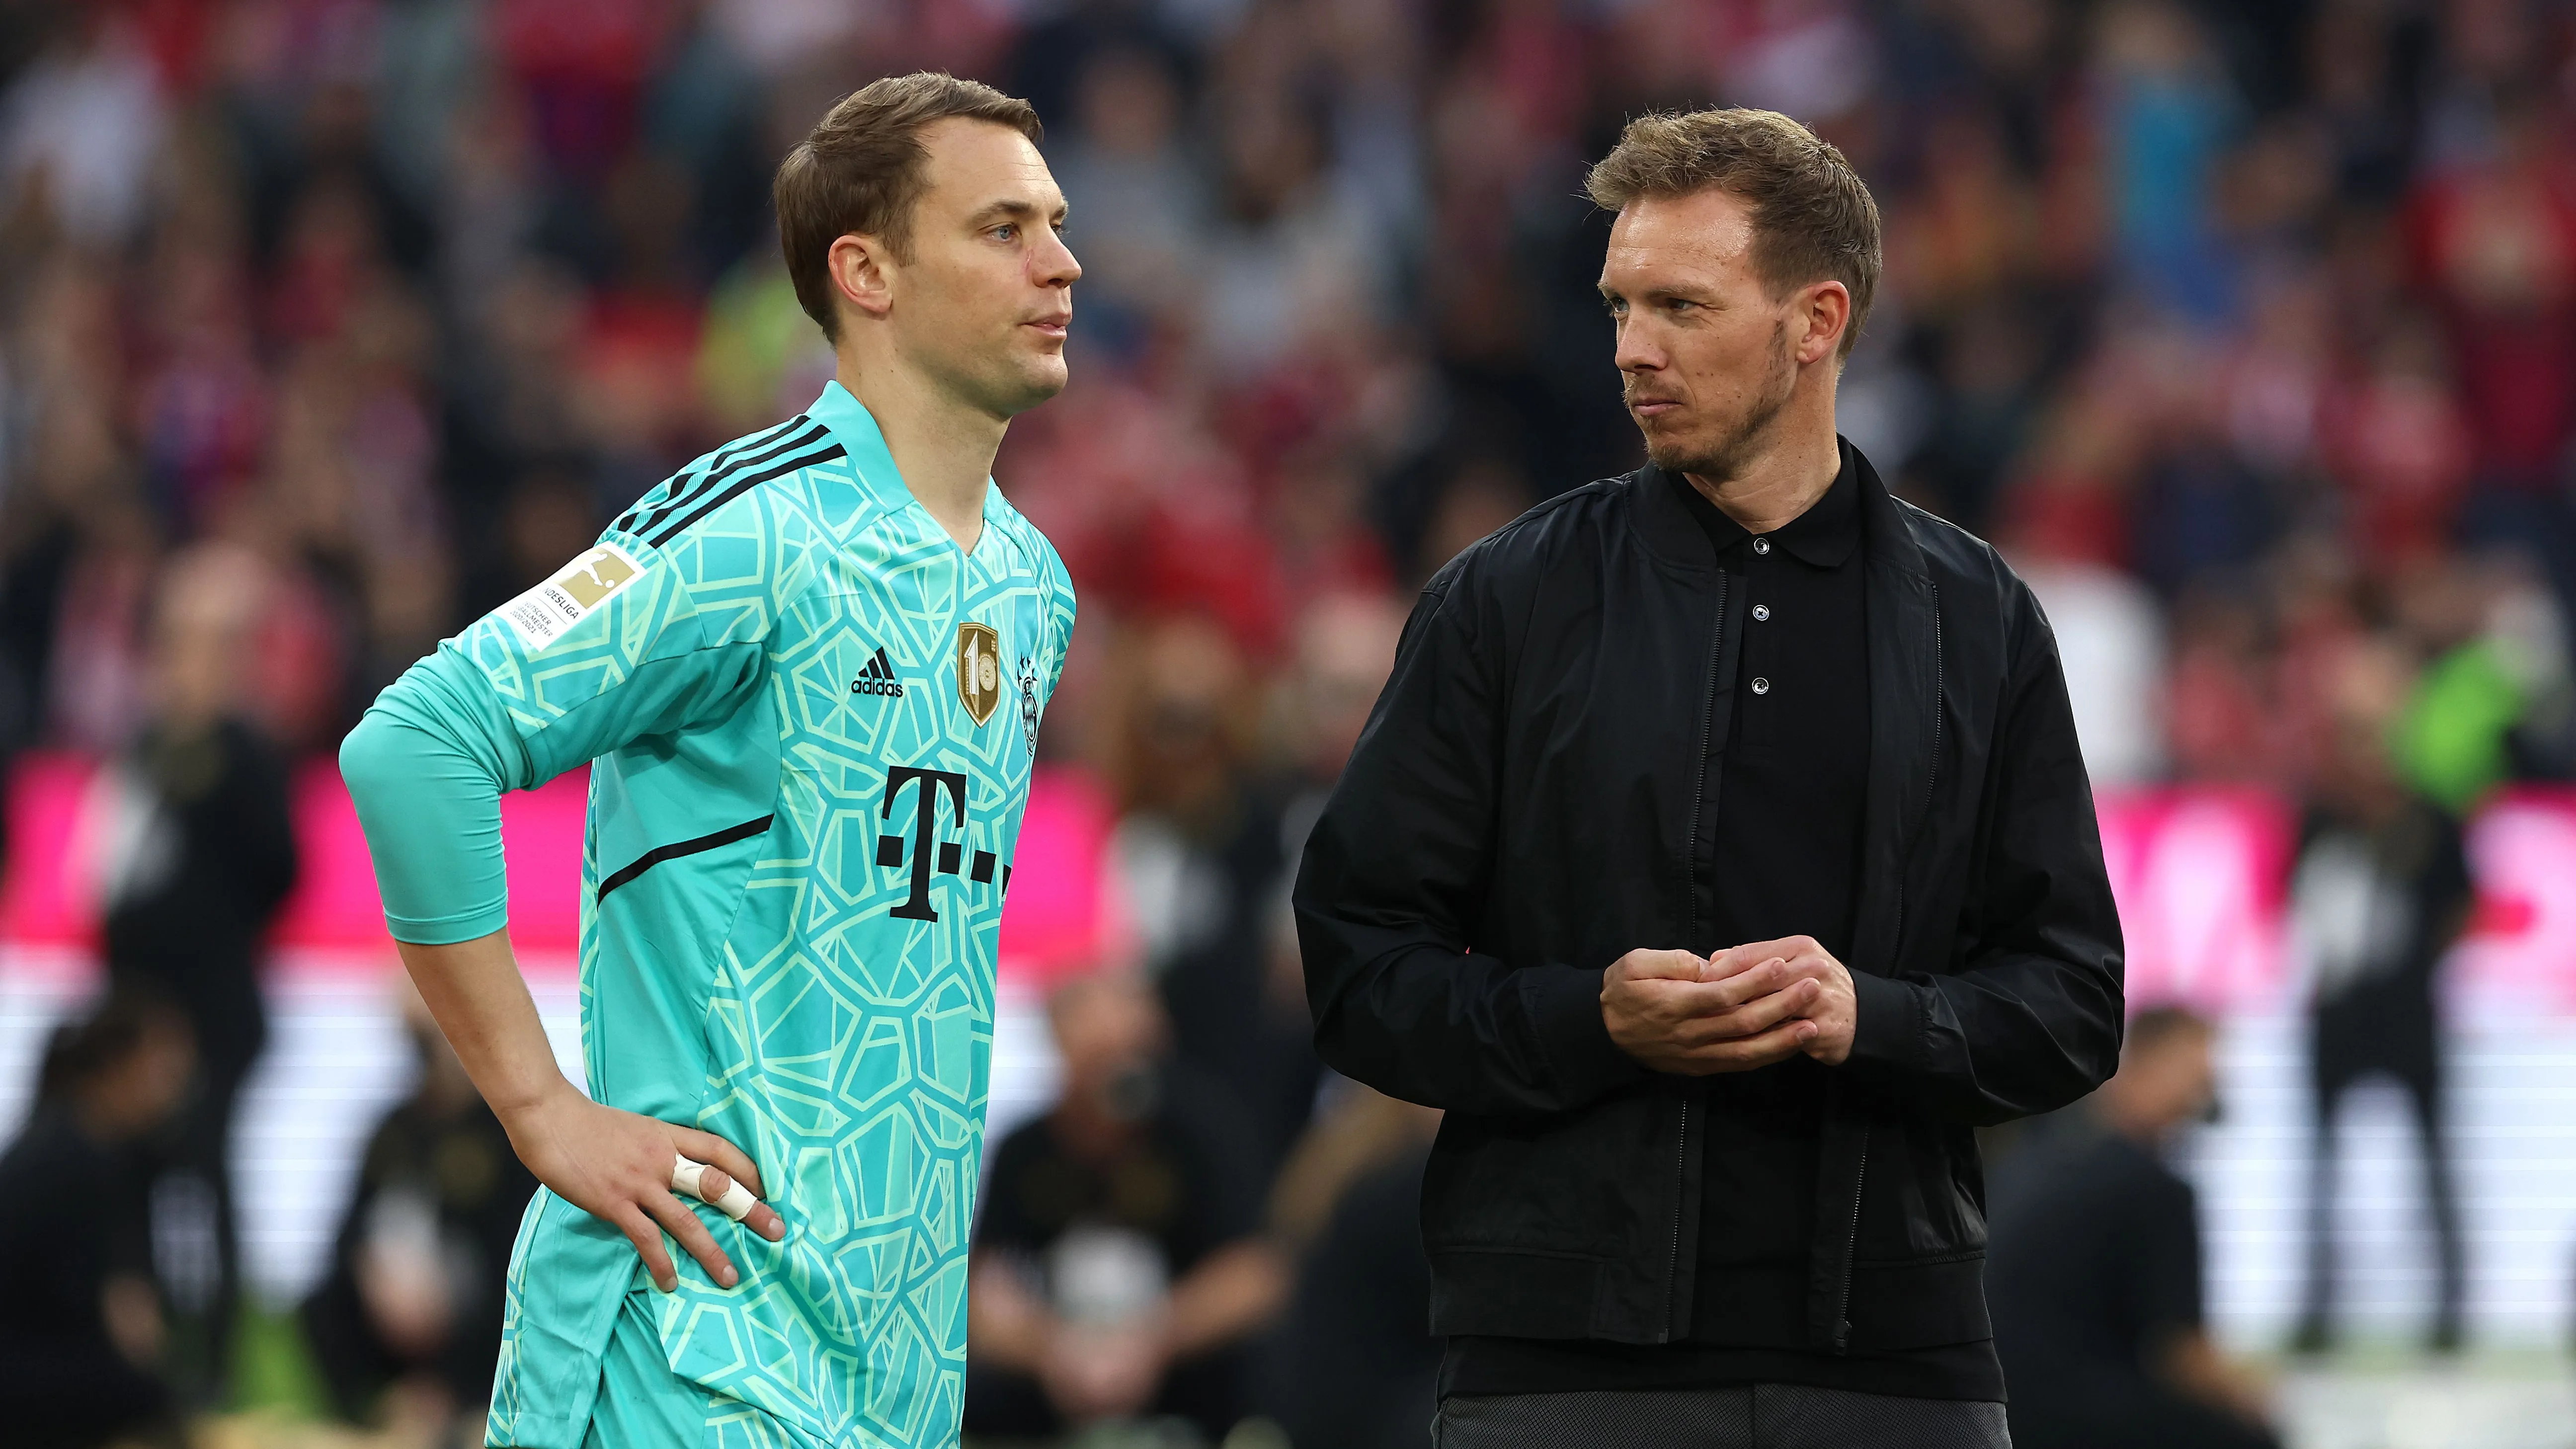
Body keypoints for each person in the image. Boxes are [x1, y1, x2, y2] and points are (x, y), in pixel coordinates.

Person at [1295, 107, 2125, 1448]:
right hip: (1560, 1365)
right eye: (1621, 303)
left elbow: (2075, 1004)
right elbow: (1356, 967)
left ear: (1817, 320)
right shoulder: (1505, 602)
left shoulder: (1978, 620)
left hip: (1897, 1369)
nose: (1631, 347)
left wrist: (1877, 1017)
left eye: (1681, 304)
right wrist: (1590, 1019)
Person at [337, 73, 1080, 1449]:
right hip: (687, 1342)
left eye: (1054, 220)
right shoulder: (752, 526)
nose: (1062, 259)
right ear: (867, 272)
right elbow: (414, 740)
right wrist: (540, 1108)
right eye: (1002, 227)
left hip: (894, 1368)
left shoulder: (1033, 588)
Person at [94, 542, 301, 1403]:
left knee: (210, 1176)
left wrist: (212, 934)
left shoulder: (243, 751)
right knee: (134, 1180)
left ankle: (213, 1360)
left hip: (214, 1016)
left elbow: (280, 868)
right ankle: (148, 1354)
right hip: (141, 1014)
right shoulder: (143, 750)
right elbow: (114, 870)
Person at [963, 971, 1286, 1441]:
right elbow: (984, 1288)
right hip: (1056, 1361)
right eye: (1098, 1059)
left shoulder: (1202, 1133)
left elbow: (1256, 1274)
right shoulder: (1026, 1151)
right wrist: (1051, 1351)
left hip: (1176, 1358)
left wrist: (1152, 1341)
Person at [2289, 638, 2471, 1354]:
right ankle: (2319, 1309)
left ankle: (2449, 1308)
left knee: (2433, 1160)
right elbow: (2297, 898)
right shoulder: (2323, 816)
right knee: (2322, 1166)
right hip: (2338, 1013)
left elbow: (2462, 906)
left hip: (2409, 1015)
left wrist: (2416, 964)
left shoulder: (2431, 819)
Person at [1989, 1007, 2281, 1449]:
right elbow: (2179, 1354)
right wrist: (2255, 1399)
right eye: (2198, 1075)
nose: (2205, 1092)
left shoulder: (2036, 1154)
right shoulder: (2155, 1189)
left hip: (1999, 1405)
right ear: (2151, 1062)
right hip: (2077, 1415)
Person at [300, 977, 540, 1437]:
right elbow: (346, 1234)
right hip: (391, 1320)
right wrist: (376, 1277)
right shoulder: (394, 1129)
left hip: (470, 1317)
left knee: (513, 1295)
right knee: (322, 1302)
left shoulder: (504, 1136)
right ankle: (370, 1412)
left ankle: (461, 1401)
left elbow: (515, 1253)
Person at [0, 986, 196, 1449]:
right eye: (164, 1068)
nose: (178, 1087)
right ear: (120, 1066)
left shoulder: (91, 1147)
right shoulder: (70, 1160)